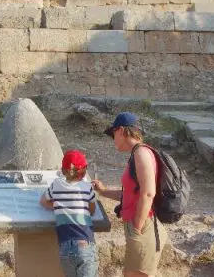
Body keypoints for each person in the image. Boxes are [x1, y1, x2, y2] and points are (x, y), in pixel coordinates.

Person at [92, 112, 168, 277]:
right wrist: (104, 191)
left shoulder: (141, 153)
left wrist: (137, 227)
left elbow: (148, 193)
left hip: (144, 227)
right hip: (142, 226)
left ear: (120, 131)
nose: (113, 139)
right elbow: (132, 194)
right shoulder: (137, 153)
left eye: (113, 134)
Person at [40, 149, 99, 277]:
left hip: (65, 245)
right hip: (84, 242)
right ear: (83, 172)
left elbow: (43, 201)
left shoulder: (56, 185)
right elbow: (92, 210)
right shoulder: (87, 187)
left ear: (63, 170)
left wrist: (57, 206)